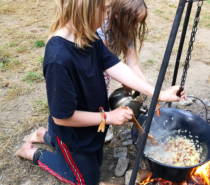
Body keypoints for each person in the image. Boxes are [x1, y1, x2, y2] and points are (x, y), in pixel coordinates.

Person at [15, 0, 186, 184]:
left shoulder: (90, 37)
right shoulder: (58, 59)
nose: (107, 16)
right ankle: (33, 152)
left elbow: (116, 66)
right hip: (73, 136)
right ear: (86, 6)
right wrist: (108, 118)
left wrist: (159, 94)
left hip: (92, 130)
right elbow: (62, 118)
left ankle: (46, 136)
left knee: (96, 163)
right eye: (105, 10)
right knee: (87, 180)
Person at [97, 0, 148, 142]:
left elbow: (132, 62)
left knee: (105, 94)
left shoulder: (127, 30)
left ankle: (103, 119)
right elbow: (110, 65)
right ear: (117, 15)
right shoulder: (102, 29)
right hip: (95, 71)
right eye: (133, 22)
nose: (136, 26)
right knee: (98, 95)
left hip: (109, 70)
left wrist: (143, 84)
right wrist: (131, 84)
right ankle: (101, 120)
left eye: (139, 22)